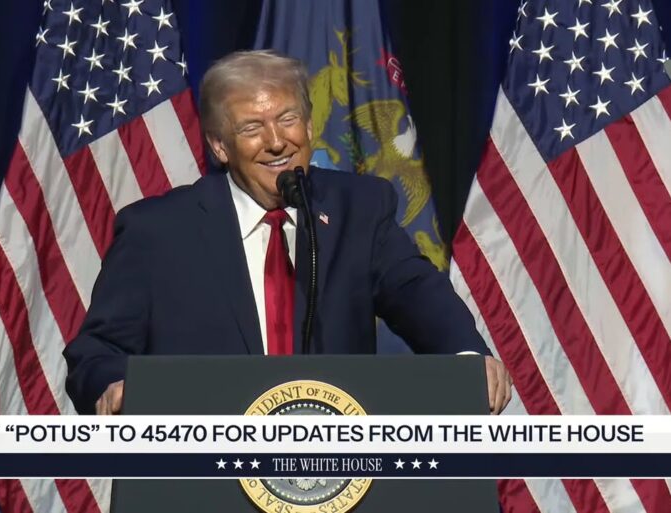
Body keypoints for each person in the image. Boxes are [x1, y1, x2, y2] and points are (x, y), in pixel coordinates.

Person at [63, 50, 512, 416]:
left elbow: (416, 292)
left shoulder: (358, 208)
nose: (277, 141)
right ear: (220, 146)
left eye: (288, 118)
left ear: (311, 126)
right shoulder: (158, 231)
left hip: (332, 478)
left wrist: (465, 358)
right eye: (252, 128)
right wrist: (113, 386)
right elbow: (96, 350)